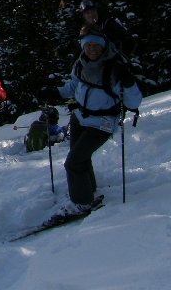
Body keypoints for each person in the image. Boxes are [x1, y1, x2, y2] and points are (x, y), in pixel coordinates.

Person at [54, 30, 142, 214]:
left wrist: (128, 82)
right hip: (79, 116)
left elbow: (133, 102)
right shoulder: (81, 63)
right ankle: (88, 189)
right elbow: (72, 86)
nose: (92, 49)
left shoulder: (114, 68)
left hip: (102, 123)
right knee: (80, 157)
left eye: (96, 45)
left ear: (103, 46)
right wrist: (55, 93)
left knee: (73, 162)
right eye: (88, 45)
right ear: (83, 46)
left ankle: (82, 202)